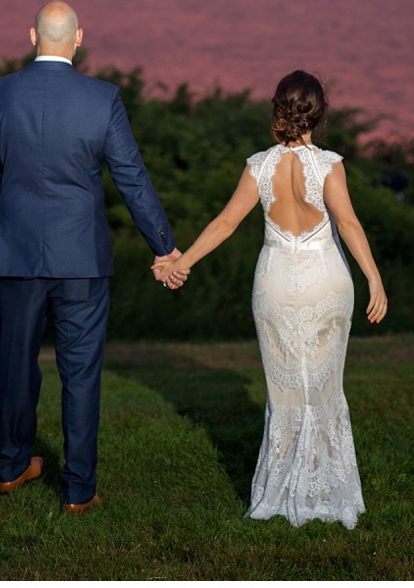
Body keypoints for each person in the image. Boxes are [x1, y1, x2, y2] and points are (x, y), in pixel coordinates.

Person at [0, 0, 180, 514]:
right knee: (80, 373)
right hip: (82, 258)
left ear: (33, 37)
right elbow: (132, 180)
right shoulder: (103, 99)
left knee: (14, 365)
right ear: (78, 37)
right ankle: (79, 491)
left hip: (16, 256)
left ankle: (11, 467)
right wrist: (163, 247)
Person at [154, 70, 387, 529]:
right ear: (318, 115)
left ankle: (282, 490)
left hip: (276, 280)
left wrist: (182, 263)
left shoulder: (258, 166)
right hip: (326, 281)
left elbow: (224, 224)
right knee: (322, 388)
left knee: (284, 392)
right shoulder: (330, 166)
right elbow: (351, 226)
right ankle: (328, 490)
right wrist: (375, 280)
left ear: (278, 109)